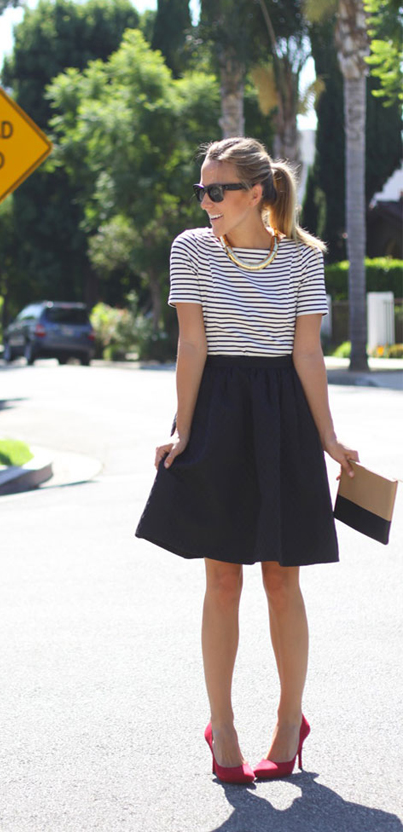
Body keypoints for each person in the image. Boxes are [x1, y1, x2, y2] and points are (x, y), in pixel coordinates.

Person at [135, 137, 358, 785]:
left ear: (255, 192)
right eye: (201, 190)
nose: (205, 201)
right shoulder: (191, 249)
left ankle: (290, 723)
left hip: (283, 417)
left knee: (283, 581)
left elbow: (307, 353)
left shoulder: (303, 258)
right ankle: (223, 726)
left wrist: (329, 437)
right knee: (223, 580)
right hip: (219, 414)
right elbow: (192, 344)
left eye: (217, 190)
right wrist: (182, 429)